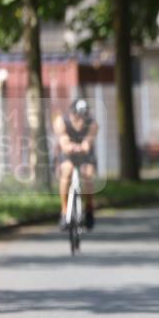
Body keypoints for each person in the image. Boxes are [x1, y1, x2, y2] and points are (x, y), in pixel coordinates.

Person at [53, 98, 98, 231]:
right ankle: (64, 211)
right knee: (67, 171)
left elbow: (89, 141)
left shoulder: (92, 124)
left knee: (88, 174)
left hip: (85, 155)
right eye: (76, 116)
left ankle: (89, 209)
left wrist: (84, 146)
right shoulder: (61, 122)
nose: (79, 120)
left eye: (82, 117)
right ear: (71, 113)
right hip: (68, 154)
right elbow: (63, 142)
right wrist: (69, 146)